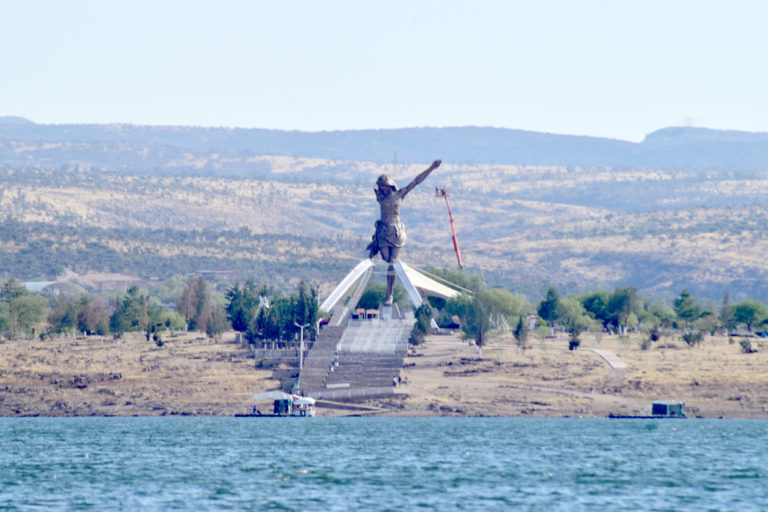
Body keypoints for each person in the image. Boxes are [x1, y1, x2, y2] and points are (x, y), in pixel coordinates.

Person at [367, 159, 441, 305]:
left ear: (388, 185)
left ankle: (390, 294)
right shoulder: (380, 197)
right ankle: (375, 247)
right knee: (386, 258)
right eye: (379, 186)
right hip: (383, 231)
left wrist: (431, 168)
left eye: (382, 185)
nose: (381, 188)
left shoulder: (400, 194)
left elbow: (416, 181)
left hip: (396, 232)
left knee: (392, 263)